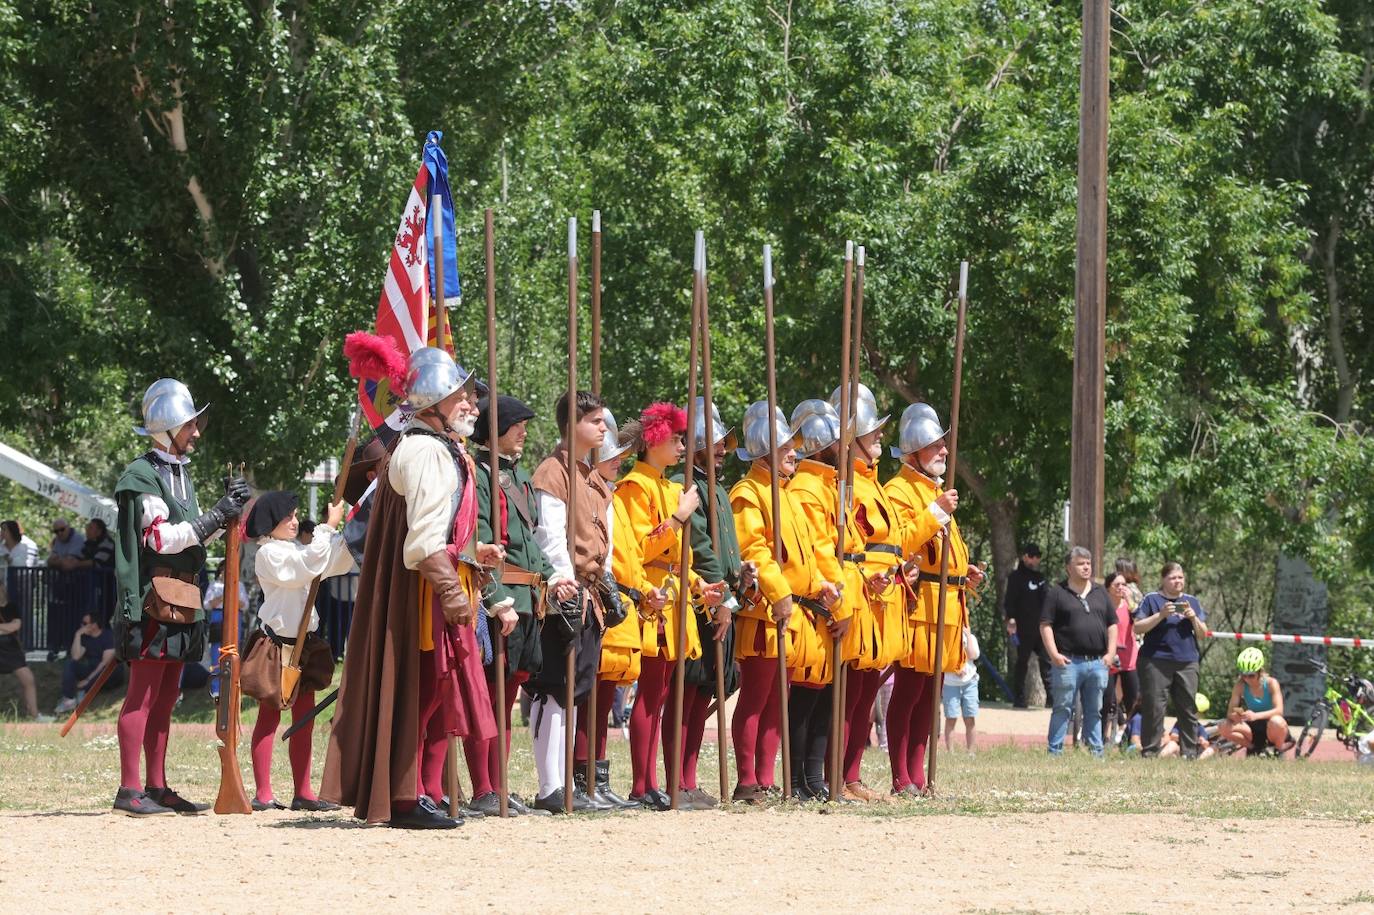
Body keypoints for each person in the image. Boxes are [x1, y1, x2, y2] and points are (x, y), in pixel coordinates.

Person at [322, 346, 502, 829]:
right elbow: (422, 543)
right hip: (425, 592)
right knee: (419, 693)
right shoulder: (426, 450)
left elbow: (436, 532)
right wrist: (452, 592)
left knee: (430, 696)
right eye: (461, 395)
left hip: (433, 583)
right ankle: (405, 796)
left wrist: (473, 553)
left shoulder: (436, 447)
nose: (472, 404)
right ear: (433, 401)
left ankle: (414, 791)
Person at [112, 377, 250, 815]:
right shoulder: (141, 475)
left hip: (181, 596)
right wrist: (214, 516)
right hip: (152, 599)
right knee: (142, 695)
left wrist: (225, 514)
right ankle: (129, 789)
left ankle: (156, 786)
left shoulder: (180, 474)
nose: (196, 433)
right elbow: (159, 539)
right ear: (169, 427)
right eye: (190, 425)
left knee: (166, 696)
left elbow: (192, 540)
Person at [615, 402, 726, 810]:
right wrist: (678, 519)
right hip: (651, 598)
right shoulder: (635, 487)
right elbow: (639, 550)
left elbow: (681, 560)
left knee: (661, 693)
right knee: (649, 694)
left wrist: (700, 587)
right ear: (654, 441)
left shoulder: (668, 488)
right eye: (676, 439)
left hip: (674, 597)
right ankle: (641, 785)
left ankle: (651, 784)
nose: (682, 447)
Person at [729, 402, 836, 804]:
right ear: (763, 450)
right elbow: (754, 551)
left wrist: (820, 586)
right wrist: (780, 592)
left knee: (778, 701)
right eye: (785, 447)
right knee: (756, 699)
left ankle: (767, 777)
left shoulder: (785, 494)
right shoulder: (748, 493)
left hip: (793, 613)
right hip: (765, 611)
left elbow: (803, 554)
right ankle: (747, 780)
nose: (794, 452)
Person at [884, 400, 982, 795]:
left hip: (946, 606)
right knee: (908, 691)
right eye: (935, 445)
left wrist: (962, 570)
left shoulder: (936, 490)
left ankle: (918, 775)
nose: (944, 450)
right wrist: (936, 513)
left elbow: (940, 551)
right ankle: (901, 776)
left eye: (944, 444)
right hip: (917, 604)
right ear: (913, 452)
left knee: (929, 697)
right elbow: (900, 543)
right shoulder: (898, 490)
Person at [527, 390, 617, 814]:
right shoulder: (553, 472)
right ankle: (551, 786)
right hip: (567, 593)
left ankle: (566, 785)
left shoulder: (592, 477)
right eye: (595, 420)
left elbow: (603, 538)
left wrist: (605, 581)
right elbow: (549, 535)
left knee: (576, 688)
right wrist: (564, 581)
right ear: (572, 423)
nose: (602, 427)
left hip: (591, 594)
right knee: (554, 688)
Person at [466, 393, 556, 816]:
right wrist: (495, 598)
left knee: (505, 700)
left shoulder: (516, 476)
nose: (523, 431)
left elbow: (530, 543)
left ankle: (499, 786)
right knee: (487, 699)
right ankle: (483, 788)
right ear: (494, 430)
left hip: (528, 601)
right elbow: (481, 541)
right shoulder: (481, 475)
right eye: (516, 424)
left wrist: (552, 576)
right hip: (501, 600)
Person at [245, 490, 352, 812]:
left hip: (305, 645)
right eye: (287, 517)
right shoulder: (269, 554)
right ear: (271, 522)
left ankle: (303, 792)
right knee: (269, 717)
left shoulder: (296, 550)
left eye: (294, 516)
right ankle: (263, 793)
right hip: (277, 646)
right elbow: (306, 566)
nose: (294, 522)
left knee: (304, 719)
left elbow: (331, 560)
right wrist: (326, 528)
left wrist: (345, 530)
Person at [786, 398, 861, 800]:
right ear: (819, 444)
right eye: (838, 441)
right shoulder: (807, 488)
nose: (845, 447)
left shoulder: (828, 485)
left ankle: (814, 778)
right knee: (806, 693)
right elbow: (820, 551)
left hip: (834, 600)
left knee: (826, 693)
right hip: (820, 600)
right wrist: (840, 605)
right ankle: (799, 779)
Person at [672, 400, 744, 809]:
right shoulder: (688, 485)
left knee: (703, 695)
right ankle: (677, 781)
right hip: (703, 599)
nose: (721, 450)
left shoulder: (715, 486)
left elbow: (728, 548)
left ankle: (689, 778)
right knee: (686, 693)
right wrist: (722, 598)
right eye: (714, 443)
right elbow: (700, 548)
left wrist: (739, 579)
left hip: (722, 599)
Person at [584, 408, 642, 810]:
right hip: (599, 597)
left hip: (618, 602)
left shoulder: (612, 495)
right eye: (611, 454)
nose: (618, 459)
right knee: (589, 697)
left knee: (604, 698)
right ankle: (582, 776)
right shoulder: (591, 494)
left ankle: (597, 777)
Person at [1039, 546, 1117, 757]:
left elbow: (1112, 624)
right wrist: (1054, 654)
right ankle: (1054, 752)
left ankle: (1096, 753)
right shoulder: (1057, 593)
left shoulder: (1100, 592)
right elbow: (1045, 625)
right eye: (1080, 563)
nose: (1086, 567)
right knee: (1062, 708)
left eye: (1088, 563)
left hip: (1097, 663)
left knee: (1094, 710)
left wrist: (1110, 654)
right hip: (1068, 662)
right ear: (1068, 568)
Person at [1133, 562, 1208, 758]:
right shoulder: (1151, 599)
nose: (1177, 581)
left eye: (1180, 577)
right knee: (1154, 707)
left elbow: (1203, 634)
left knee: (1188, 708)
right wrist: (1161, 615)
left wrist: (1193, 618)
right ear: (1163, 580)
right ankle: (1150, 751)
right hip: (1155, 661)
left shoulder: (1192, 601)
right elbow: (1137, 627)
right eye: (1172, 578)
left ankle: (1189, 753)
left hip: (1187, 662)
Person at [1219, 647, 1293, 756]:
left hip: (1270, 724)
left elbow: (1279, 710)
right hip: (1252, 726)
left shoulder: (1271, 683)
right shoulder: (1240, 685)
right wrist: (1236, 715)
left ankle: (1276, 750)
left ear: (1260, 672)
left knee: (1277, 721)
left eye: (1251, 675)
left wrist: (1256, 716)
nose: (1247, 679)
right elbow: (1230, 712)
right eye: (1244, 675)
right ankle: (1253, 749)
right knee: (1223, 726)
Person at [1003, 543, 1049, 708]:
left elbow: (1047, 600)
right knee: (1022, 662)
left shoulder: (1040, 578)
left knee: (1046, 661)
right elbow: (1009, 600)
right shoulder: (1015, 577)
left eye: (1037, 556)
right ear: (1024, 556)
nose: (1034, 559)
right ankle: (1019, 698)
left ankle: (1052, 698)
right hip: (1022, 628)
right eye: (1031, 556)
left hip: (1041, 628)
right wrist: (1011, 619)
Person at [0, 583, 52, 721]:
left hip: (11, 649)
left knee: (28, 679)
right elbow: (10, 627)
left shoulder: (12, 607)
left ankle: (35, 715)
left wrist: (4, 628)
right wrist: (7, 627)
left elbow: (15, 626)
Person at [55, 612, 120, 714]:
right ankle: (69, 699)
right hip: (92, 669)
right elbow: (75, 657)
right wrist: (77, 635)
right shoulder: (85, 638)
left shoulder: (108, 636)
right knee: (70, 664)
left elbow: (105, 663)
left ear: (94, 625)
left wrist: (88, 680)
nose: (82, 626)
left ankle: (84, 693)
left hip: (109, 673)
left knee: (105, 668)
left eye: (85, 623)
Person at [1101, 570, 1139, 734]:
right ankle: (1102, 736)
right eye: (1117, 585)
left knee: (1133, 700)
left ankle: (1132, 736)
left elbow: (1140, 620)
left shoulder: (1130, 607)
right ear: (1108, 588)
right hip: (1109, 657)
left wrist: (1130, 601)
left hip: (1129, 657)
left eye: (1124, 584)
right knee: (1107, 700)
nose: (1121, 588)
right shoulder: (1103, 607)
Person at [942, 626, 980, 752]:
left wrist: (967, 635)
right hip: (950, 683)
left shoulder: (971, 638)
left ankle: (971, 751)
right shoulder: (946, 637)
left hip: (969, 683)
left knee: (970, 717)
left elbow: (973, 655)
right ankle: (950, 751)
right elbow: (943, 658)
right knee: (951, 718)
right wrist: (955, 668)